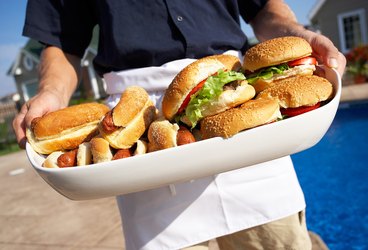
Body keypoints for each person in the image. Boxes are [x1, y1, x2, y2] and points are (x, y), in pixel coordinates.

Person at [14, 0, 346, 249]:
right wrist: (50, 94)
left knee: (278, 238)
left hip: (239, 101)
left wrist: (299, 35)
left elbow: (263, 9)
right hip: (138, 123)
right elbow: (61, 43)